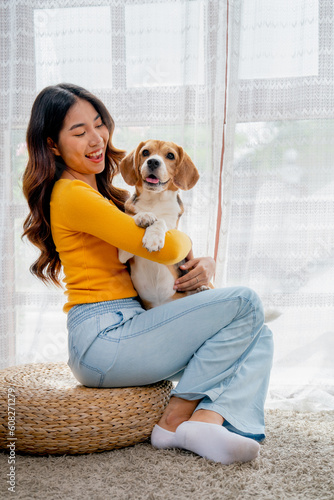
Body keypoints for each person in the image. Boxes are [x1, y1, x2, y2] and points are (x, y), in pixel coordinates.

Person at [22, 83, 274, 465]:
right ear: (53, 146)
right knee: (246, 301)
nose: (96, 139)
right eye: (79, 131)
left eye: (98, 124)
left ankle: (206, 422)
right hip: (103, 338)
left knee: (260, 333)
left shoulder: (106, 195)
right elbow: (166, 247)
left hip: (134, 322)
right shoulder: (72, 194)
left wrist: (202, 263)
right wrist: (192, 250)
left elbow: (163, 247)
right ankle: (174, 422)